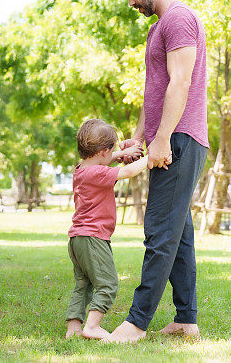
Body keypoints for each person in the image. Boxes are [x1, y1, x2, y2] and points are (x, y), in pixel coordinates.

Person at [105, 0, 209, 344]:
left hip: (179, 139)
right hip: (170, 137)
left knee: (160, 231)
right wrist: (144, 136)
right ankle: (186, 320)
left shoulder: (179, 19)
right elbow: (158, 88)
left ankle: (136, 322)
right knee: (179, 233)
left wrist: (162, 138)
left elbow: (181, 82)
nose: (130, 3)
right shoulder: (160, 26)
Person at [65, 119, 149, 340]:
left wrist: (123, 151)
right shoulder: (99, 174)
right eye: (111, 150)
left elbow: (106, 159)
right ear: (102, 152)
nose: (112, 154)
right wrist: (151, 157)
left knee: (83, 284)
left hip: (77, 239)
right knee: (108, 283)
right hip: (93, 238)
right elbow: (129, 172)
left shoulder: (82, 169)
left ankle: (73, 327)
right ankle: (92, 327)